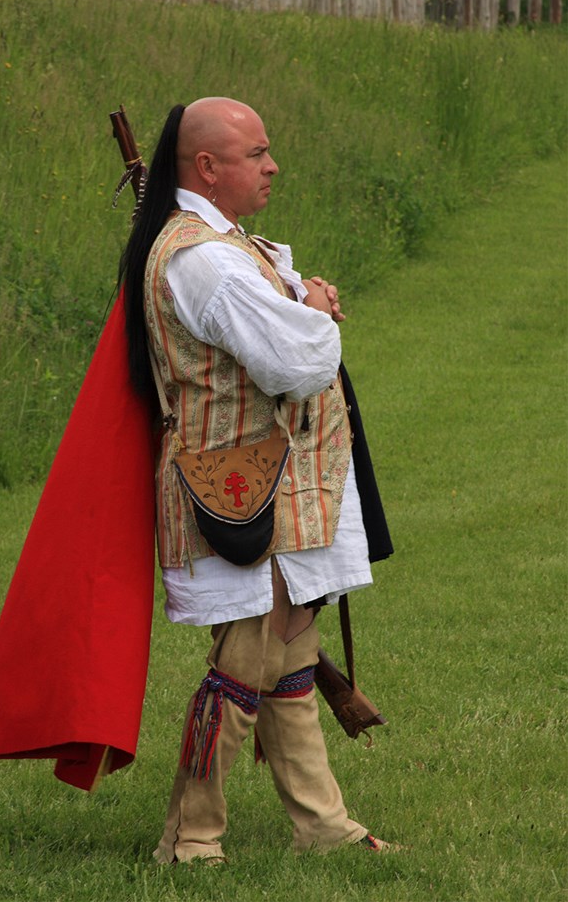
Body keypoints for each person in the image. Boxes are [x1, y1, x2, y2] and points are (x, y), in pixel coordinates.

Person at [118, 97, 396, 863]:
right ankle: (191, 833)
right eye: (257, 154)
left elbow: (288, 333)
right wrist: (312, 311)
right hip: (235, 485)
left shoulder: (225, 245)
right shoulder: (203, 257)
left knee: (290, 654)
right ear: (208, 167)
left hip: (269, 481)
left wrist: (304, 305)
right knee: (249, 652)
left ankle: (322, 824)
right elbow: (295, 360)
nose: (272, 166)